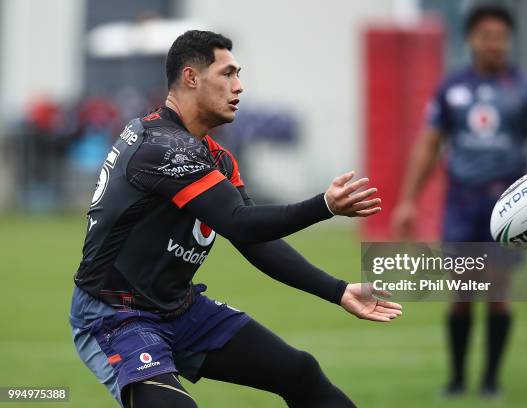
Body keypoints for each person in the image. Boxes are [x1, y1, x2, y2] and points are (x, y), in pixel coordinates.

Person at [70, 30, 402, 408]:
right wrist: (323, 205)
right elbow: (239, 222)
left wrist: (337, 289)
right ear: (192, 77)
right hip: (117, 316)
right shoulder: (160, 147)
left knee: (299, 372)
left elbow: (252, 238)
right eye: (228, 74)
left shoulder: (215, 157)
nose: (239, 86)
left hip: (178, 308)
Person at [391, 4, 527, 398]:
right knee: (462, 293)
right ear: (471, 39)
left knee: (497, 292)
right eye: (486, 37)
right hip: (462, 204)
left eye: (501, 38)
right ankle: (456, 380)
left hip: (510, 205)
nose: (494, 45)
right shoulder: (452, 89)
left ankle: (490, 381)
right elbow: (429, 145)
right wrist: (407, 201)